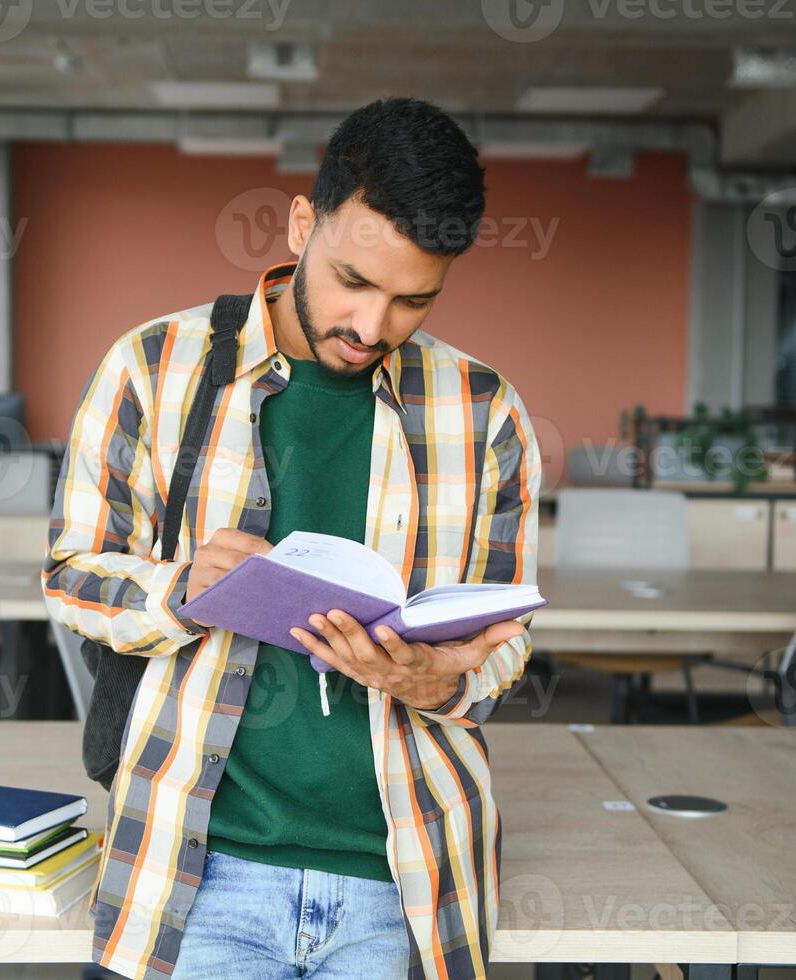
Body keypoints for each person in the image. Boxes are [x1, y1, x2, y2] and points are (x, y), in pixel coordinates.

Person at [45, 96, 541, 980]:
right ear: (302, 221)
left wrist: (440, 682)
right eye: (352, 281)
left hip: (403, 878)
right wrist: (180, 589)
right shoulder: (153, 369)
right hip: (197, 874)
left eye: (411, 300)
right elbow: (70, 578)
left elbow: (504, 641)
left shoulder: (484, 411)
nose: (370, 328)